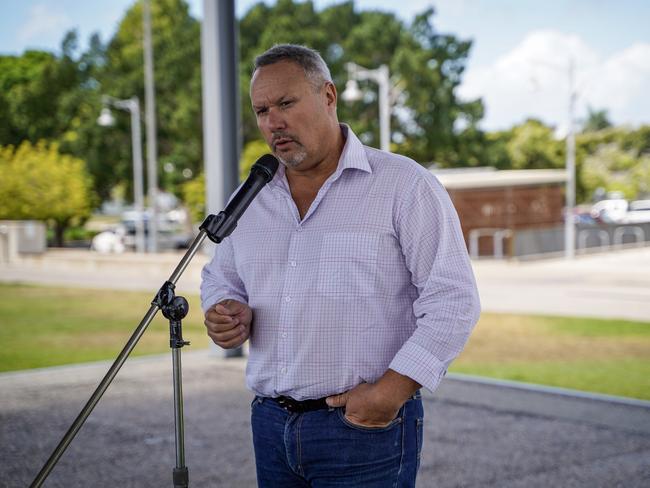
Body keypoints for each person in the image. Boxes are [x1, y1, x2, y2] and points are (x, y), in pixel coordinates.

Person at [201, 44, 481, 488]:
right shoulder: (249, 197)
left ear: (328, 96)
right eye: (261, 110)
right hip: (271, 425)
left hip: (363, 430)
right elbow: (221, 277)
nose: (273, 122)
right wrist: (226, 308)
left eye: (286, 103)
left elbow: (453, 300)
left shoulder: (404, 186)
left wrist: (390, 394)